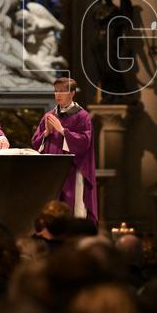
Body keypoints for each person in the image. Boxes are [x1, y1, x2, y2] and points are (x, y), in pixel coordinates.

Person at [31, 77, 97, 223]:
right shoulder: (49, 116)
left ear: (72, 93)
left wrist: (63, 131)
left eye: (62, 91)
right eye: (56, 91)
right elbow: (35, 144)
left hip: (72, 170)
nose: (58, 95)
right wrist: (46, 133)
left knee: (73, 207)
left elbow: (85, 142)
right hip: (52, 170)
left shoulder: (82, 116)